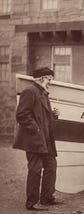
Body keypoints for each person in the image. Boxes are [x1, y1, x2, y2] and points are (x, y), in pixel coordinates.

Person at [13, 67, 63, 211]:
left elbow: (42, 116)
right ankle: (32, 203)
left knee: (51, 167)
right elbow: (22, 115)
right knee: (35, 170)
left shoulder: (42, 93)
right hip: (35, 139)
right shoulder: (30, 91)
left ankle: (47, 197)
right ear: (42, 78)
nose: (51, 82)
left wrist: (54, 115)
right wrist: (36, 129)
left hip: (46, 140)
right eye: (49, 78)